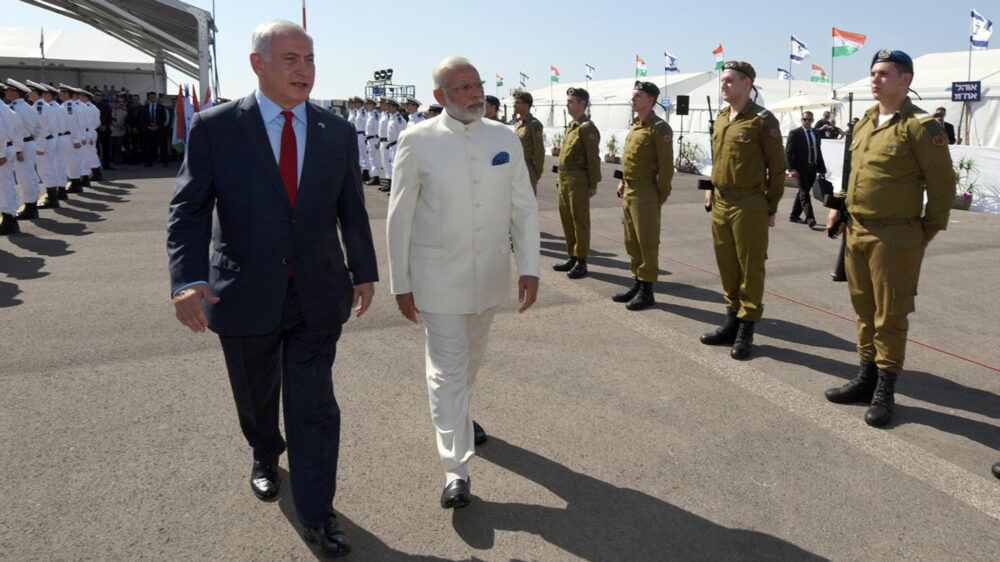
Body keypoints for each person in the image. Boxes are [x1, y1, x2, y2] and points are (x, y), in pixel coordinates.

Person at [166, 20, 378, 558]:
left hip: (317, 291)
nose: (304, 69)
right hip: (242, 291)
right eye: (290, 59)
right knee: (257, 396)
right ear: (257, 64)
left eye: (309, 59)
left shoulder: (337, 130)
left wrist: (364, 269)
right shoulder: (215, 127)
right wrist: (188, 280)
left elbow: (351, 207)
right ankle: (264, 450)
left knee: (314, 406)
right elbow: (188, 210)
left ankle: (317, 513)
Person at [386, 55, 539, 510]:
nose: (475, 94)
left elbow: (523, 208)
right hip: (437, 280)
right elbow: (400, 217)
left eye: (477, 84)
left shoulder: (503, 137)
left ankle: (460, 416)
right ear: (439, 97)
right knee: (447, 370)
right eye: (462, 88)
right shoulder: (417, 140)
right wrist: (401, 281)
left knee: (470, 361)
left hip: (489, 276)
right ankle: (456, 468)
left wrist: (529, 266)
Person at [823, 49, 955, 428]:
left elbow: (943, 188)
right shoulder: (865, 121)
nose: (874, 79)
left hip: (896, 238)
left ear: (905, 79)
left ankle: (885, 388)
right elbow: (853, 174)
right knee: (864, 311)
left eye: (884, 73)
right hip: (859, 230)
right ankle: (865, 378)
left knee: (890, 316)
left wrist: (923, 233)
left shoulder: (920, 126)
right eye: (873, 73)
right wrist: (839, 207)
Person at [700, 61, 784, 360]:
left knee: (750, 267)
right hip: (722, 201)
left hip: (749, 203)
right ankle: (731, 321)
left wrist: (770, 206)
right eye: (722, 81)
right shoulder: (722, 118)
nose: (724, 85)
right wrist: (711, 188)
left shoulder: (763, 120)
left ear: (747, 84)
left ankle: (747, 328)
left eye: (730, 81)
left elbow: (777, 168)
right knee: (727, 265)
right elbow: (717, 159)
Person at [613, 81, 673, 310]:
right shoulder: (636, 126)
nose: (633, 99)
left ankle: (647, 290)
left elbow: (666, 169)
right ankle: (637, 283)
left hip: (647, 192)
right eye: (633, 96)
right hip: (629, 190)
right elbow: (629, 160)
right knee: (632, 241)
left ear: (651, 99)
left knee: (647, 241)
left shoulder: (659, 128)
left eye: (638, 96)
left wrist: (659, 197)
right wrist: (622, 181)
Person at [553, 87, 600, 279]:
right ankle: (572, 255)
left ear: (582, 104)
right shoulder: (572, 126)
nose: (567, 104)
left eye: (571, 101)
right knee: (567, 218)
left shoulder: (587, 128)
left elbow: (593, 158)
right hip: (565, 179)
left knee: (580, 220)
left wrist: (593, 183)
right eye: (568, 101)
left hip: (579, 180)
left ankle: (581, 261)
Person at [4, 80, 44, 221]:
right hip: (28, 143)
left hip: (21, 147)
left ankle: (30, 208)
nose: (6, 92)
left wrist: (19, 150)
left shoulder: (16, 108)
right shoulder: (27, 107)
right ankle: (31, 206)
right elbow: (39, 128)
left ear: (15, 92)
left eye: (9, 90)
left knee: (24, 178)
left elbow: (18, 131)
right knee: (29, 176)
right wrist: (33, 141)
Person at [785, 110, 827, 228]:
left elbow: (818, 152)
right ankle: (810, 218)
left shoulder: (815, 133)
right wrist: (792, 169)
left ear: (813, 121)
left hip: (812, 168)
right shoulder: (795, 133)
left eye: (809, 120)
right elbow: (788, 153)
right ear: (801, 120)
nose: (807, 122)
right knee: (804, 193)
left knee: (803, 192)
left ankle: (794, 215)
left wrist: (822, 169)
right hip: (799, 169)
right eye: (805, 119)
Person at [512, 90, 544, 193]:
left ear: (526, 105)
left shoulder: (534, 124)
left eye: (518, 103)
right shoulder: (518, 123)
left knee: (528, 202)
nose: (514, 105)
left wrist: (536, 172)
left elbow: (539, 151)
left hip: (527, 168)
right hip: (516, 167)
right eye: (514, 102)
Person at [379, 98, 405, 193]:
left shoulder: (399, 119)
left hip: (396, 145)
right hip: (391, 145)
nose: (387, 108)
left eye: (389, 106)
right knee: (391, 165)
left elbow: (402, 134)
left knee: (396, 167)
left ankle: (396, 188)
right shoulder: (392, 118)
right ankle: (392, 186)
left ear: (395, 107)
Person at [140, 91, 168, 167]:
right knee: (148, 146)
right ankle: (149, 162)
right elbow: (142, 119)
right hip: (148, 130)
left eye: (154, 97)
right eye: (151, 97)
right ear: (149, 98)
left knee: (162, 145)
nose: (153, 98)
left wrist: (158, 126)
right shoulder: (144, 107)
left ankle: (164, 162)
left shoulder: (161, 107)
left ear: (156, 98)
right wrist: (148, 126)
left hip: (159, 130)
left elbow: (164, 119)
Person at [363, 97, 381, 186]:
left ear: (373, 105)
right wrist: (366, 138)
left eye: (369, 104)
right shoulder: (369, 115)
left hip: (374, 139)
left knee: (375, 159)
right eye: (367, 104)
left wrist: (378, 141)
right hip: (369, 139)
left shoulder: (375, 115)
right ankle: (374, 177)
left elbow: (378, 129)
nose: (367, 106)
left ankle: (376, 178)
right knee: (371, 159)